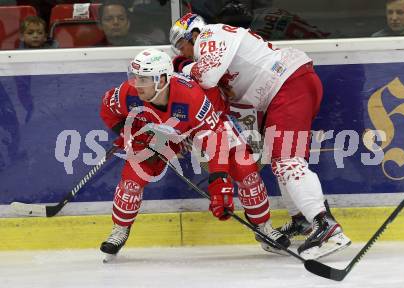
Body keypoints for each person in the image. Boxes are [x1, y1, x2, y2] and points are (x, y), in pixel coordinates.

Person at [169, 13, 351, 260]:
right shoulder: (214, 47)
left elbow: (208, 76)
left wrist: (182, 68)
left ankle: (327, 227)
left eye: (183, 47)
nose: (186, 54)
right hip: (282, 90)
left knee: (287, 161)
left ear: (193, 33)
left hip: (287, 85)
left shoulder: (209, 35)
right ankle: (303, 220)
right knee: (280, 162)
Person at [99, 48, 290, 260]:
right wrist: (128, 133)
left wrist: (219, 184)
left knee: (245, 169)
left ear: (161, 80)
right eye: (134, 77)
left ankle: (263, 227)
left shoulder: (191, 97)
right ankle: (120, 229)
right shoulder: (128, 92)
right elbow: (108, 110)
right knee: (133, 177)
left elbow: (215, 141)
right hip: (162, 132)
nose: (136, 83)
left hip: (206, 127)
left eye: (143, 79)